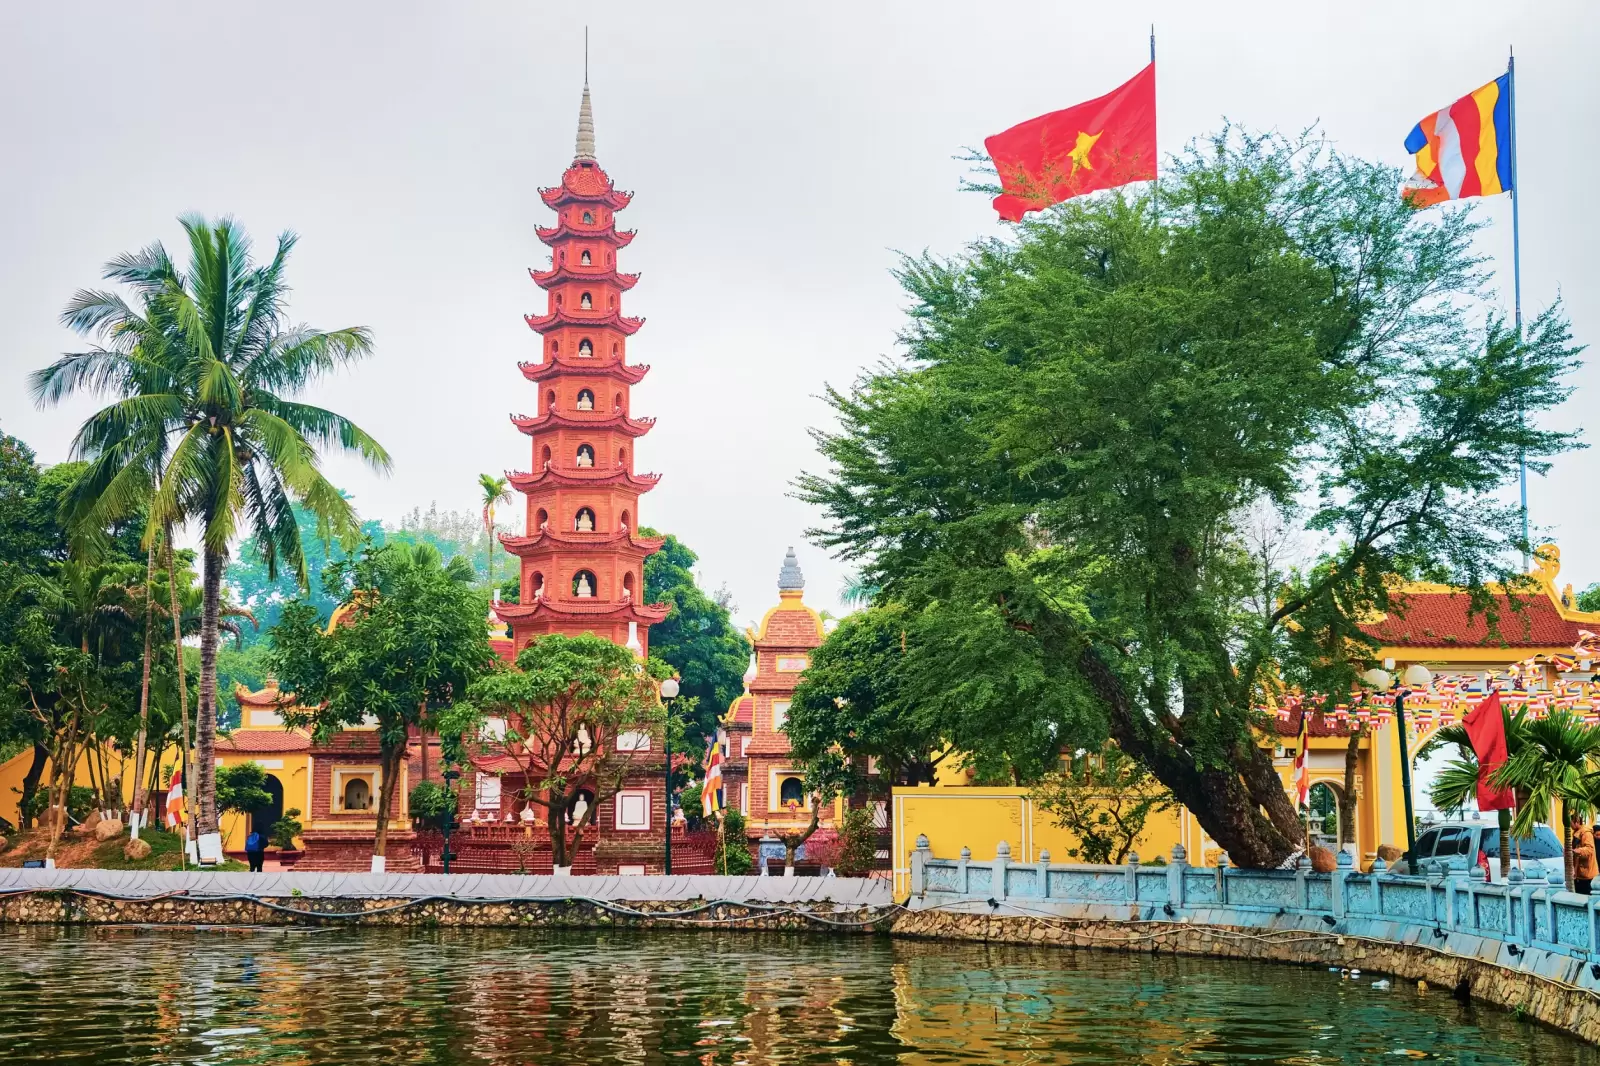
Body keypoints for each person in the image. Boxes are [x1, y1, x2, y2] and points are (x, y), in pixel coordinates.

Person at [1571, 814, 1596, 895]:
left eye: (1571, 823)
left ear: (1576, 822)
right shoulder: (1577, 832)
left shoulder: (1586, 833)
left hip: (1587, 875)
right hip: (1579, 874)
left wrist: (1577, 850)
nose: (1570, 826)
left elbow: (1590, 849)